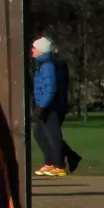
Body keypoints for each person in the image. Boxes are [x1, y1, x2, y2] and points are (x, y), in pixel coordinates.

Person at [30, 35, 79, 176]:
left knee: (52, 135)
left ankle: (58, 164)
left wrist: (43, 105)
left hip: (50, 106)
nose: (32, 50)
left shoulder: (48, 65)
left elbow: (50, 88)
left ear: (41, 50)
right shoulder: (43, 64)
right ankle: (52, 161)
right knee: (39, 133)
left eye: (34, 48)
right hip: (46, 105)